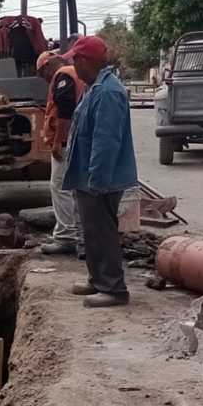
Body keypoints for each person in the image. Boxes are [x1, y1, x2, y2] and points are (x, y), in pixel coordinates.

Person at [59, 35, 139, 308]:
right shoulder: (95, 88)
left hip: (99, 179)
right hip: (88, 177)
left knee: (102, 232)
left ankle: (113, 289)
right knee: (92, 232)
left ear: (84, 61)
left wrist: (97, 178)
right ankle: (97, 280)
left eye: (75, 61)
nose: (74, 68)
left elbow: (106, 141)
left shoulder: (107, 92)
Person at [36, 50, 87, 259]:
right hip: (77, 140)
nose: (44, 79)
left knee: (60, 187)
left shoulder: (63, 75)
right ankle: (79, 236)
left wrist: (58, 141)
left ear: (48, 65)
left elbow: (65, 109)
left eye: (42, 74)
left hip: (66, 141)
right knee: (75, 190)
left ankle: (66, 237)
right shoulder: (77, 74)